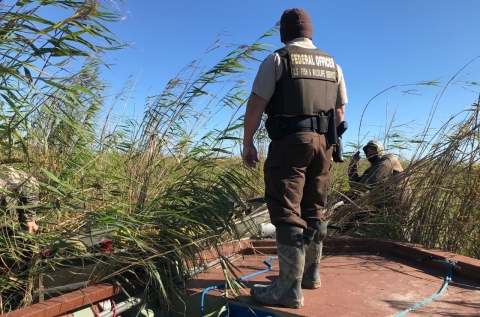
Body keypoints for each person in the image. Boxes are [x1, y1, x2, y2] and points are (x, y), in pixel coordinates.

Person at [242, 8, 348, 308]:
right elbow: (340, 112)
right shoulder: (333, 65)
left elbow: (256, 105)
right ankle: (311, 275)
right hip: (326, 143)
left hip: (291, 142)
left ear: (284, 33)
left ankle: (288, 288)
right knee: (315, 207)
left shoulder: (278, 59)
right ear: (310, 31)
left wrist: (248, 142)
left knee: (287, 210)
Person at [0, 164, 39, 234]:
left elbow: (31, 183)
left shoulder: (4, 176)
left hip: (9, 221)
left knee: (27, 237)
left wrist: (29, 218)